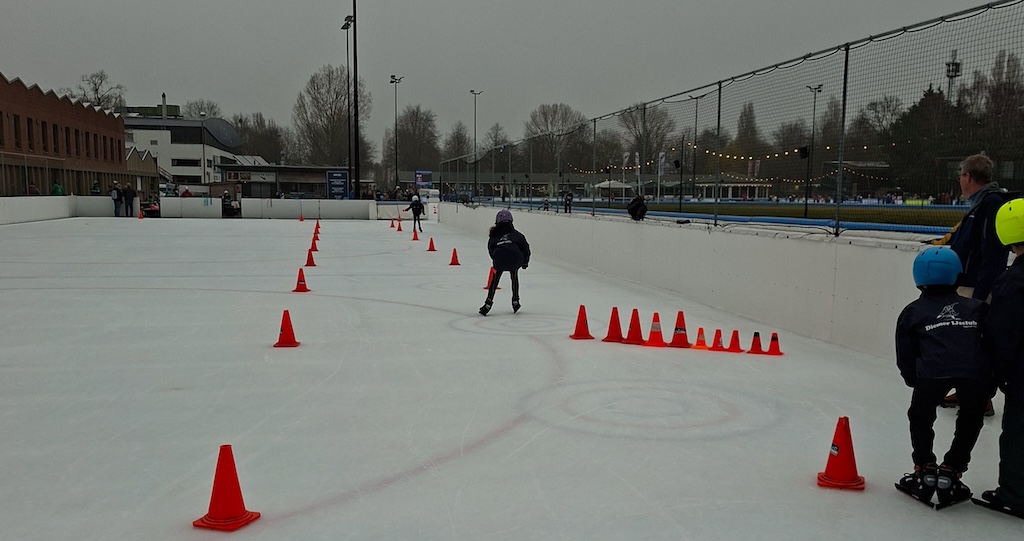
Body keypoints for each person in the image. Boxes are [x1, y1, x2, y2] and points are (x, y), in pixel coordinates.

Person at [895, 247, 993, 508]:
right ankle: (952, 469)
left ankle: (925, 466)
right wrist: (990, 382)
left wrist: (912, 378)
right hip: (975, 373)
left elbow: (905, 352)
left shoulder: (913, 311)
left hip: (932, 372)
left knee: (921, 415)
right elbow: (991, 344)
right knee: (970, 419)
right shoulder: (978, 308)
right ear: (957, 276)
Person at [941, 154, 1013, 412]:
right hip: (968, 283)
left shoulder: (990, 204)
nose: (960, 181)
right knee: (966, 341)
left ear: (968, 177)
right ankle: (966, 391)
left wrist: (982, 294)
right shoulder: (979, 204)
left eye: (961, 176)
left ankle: (981, 396)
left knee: (978, 342)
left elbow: (992, 252)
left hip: (977, 287)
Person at [977, 198, 1024, 517]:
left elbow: (1001, 332)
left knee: (1018, 432)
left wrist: (996, 375)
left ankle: (1015, 492)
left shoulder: (1012, 282)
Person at [479, 209, 530, 316]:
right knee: (514, 276)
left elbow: (491, 249)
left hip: (499, 260)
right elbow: (526, 248)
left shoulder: (494, 236)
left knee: (495, 280)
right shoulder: (517, 234)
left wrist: (496, 261)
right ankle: (515, 300)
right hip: (515, 260)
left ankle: (488, 303)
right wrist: (525, 262)